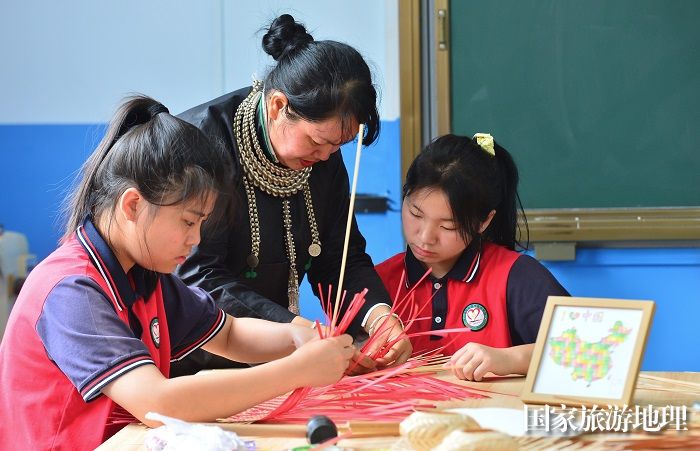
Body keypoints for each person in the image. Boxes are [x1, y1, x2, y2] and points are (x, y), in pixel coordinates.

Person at [0, 96, 354, 451]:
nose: (195, 239)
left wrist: (298, 336)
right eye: (188, 221)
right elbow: (159, 404)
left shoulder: (142, 273)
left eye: (201, 224)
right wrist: (296, 371)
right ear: (133, 205)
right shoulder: (72, 290)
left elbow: (228, 334)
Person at [174, 13, 410, 375]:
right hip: (191, 363)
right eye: (318, 141)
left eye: (339, 146)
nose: (327, 157)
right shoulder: (201, 144)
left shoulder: (323, 157)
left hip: (278, 360)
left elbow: (338, 256)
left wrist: (380, 317)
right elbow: (199, 276)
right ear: (278, 106)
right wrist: (301, 332)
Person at [375, 134, 569, 381]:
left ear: (484, 221)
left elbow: (582, 352)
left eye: (448, 226)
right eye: (415, 213)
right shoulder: (377, 283)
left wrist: (509, 359)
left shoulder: (516, 276)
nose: (425, 237)